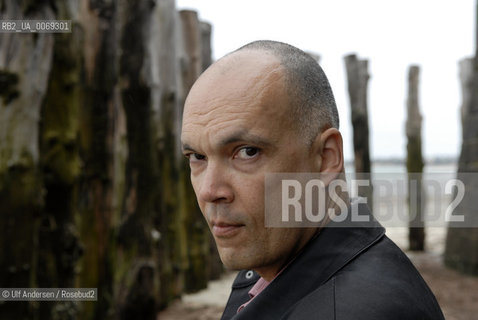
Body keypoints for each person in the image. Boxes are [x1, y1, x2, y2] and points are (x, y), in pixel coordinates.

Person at [181, 40, 444, 320]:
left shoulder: (357, 311)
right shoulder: (274, 272)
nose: (210, 191)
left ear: (326, 157)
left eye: (247, 152)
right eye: (197, 156)